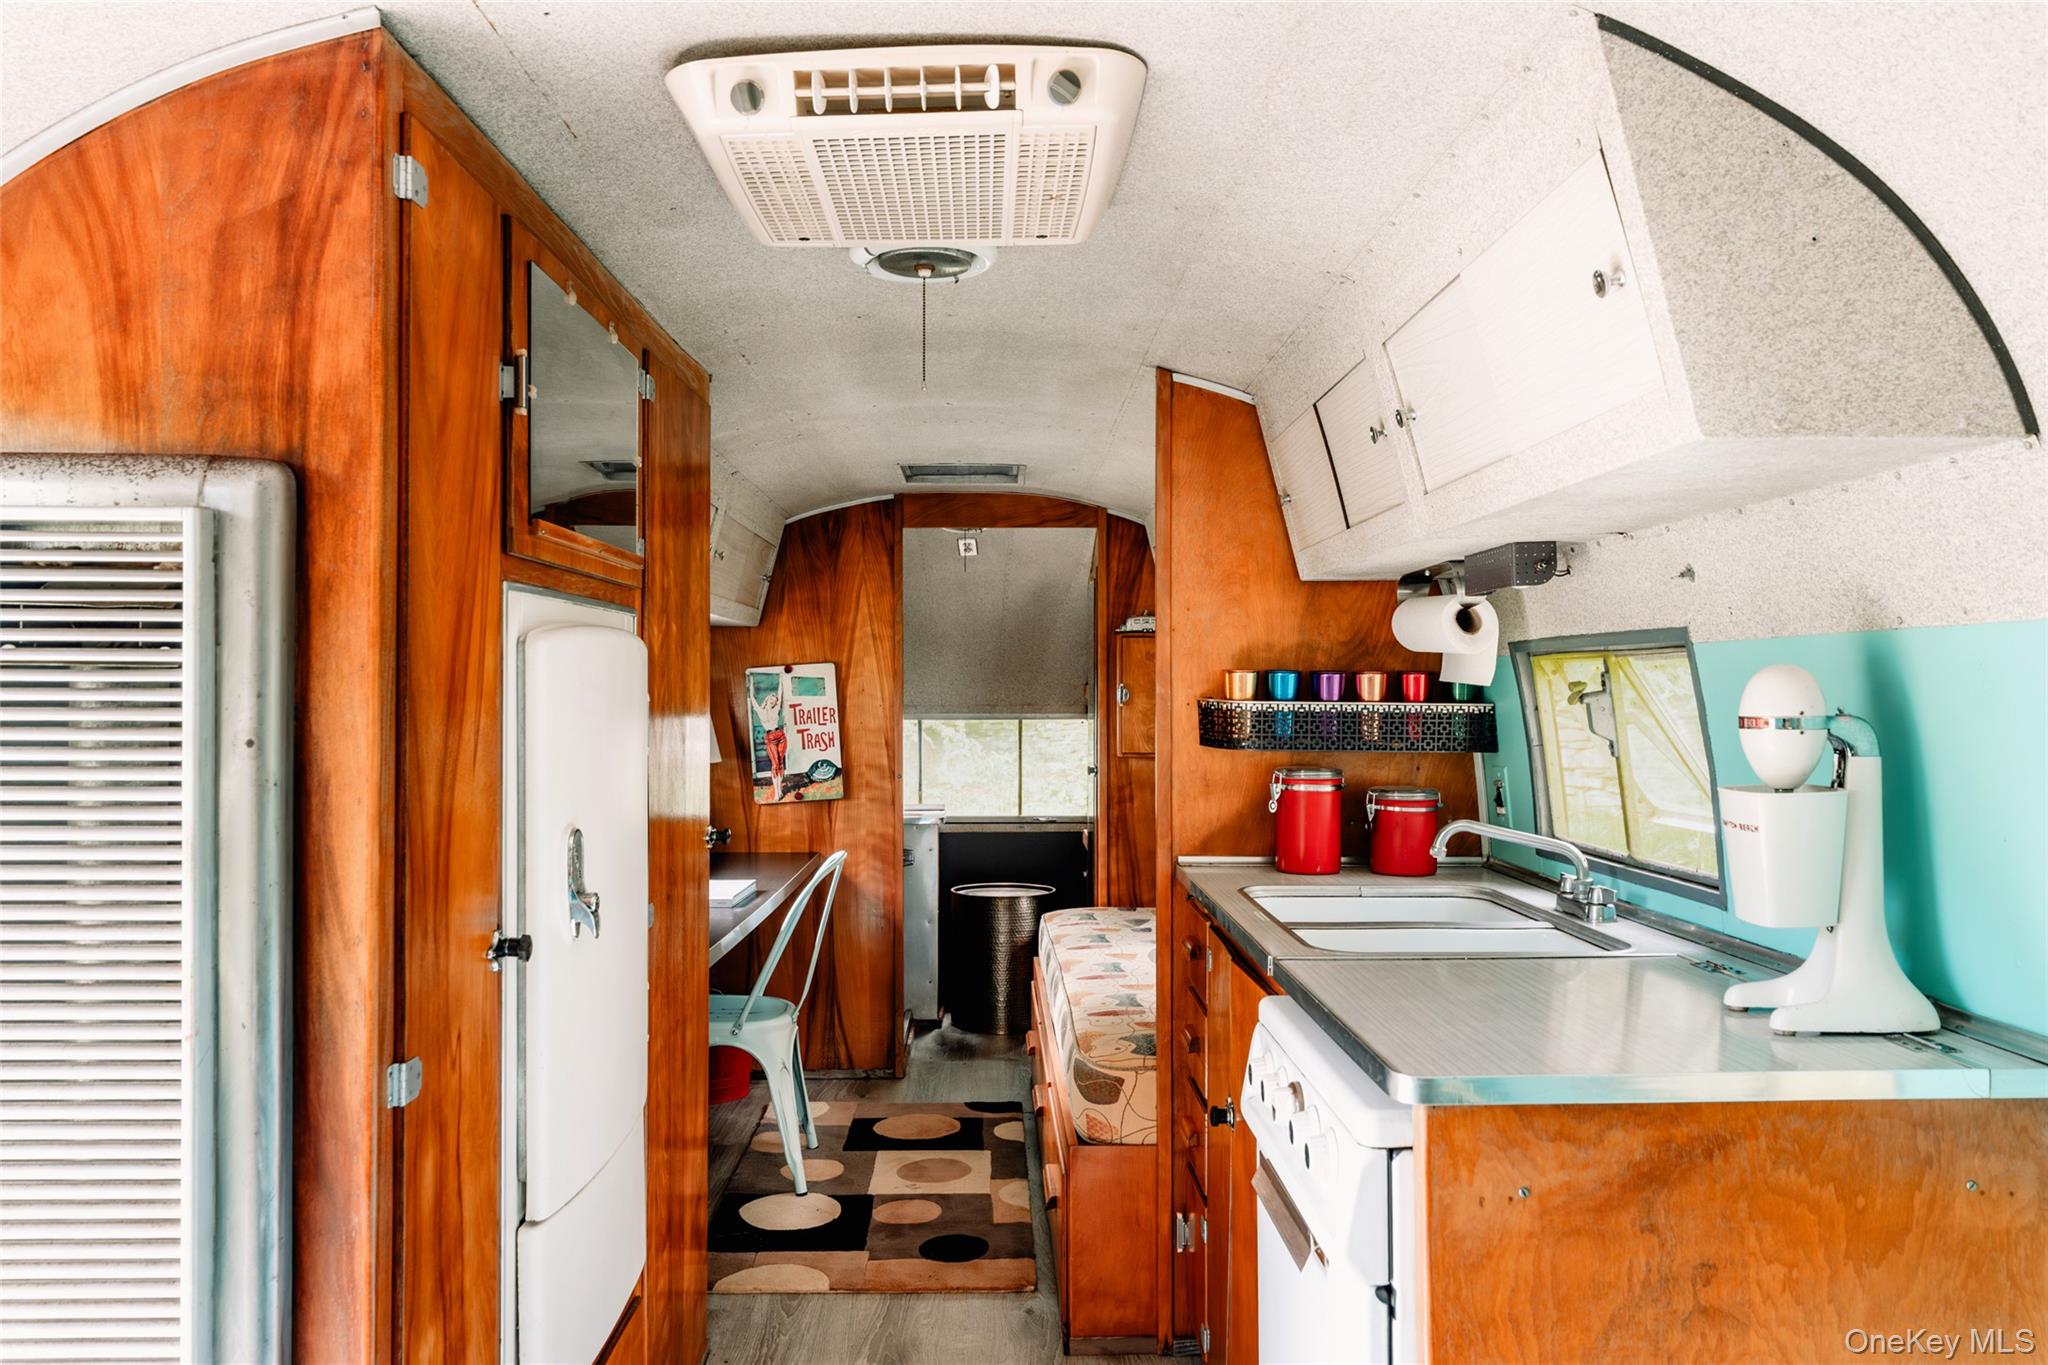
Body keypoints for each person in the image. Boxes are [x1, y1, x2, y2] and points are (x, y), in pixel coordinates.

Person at [751, 673, 790, 800]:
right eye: (772, 700)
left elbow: (780, 693)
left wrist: (781, 679)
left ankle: (779, 791)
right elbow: (752, 698)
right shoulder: (760, 710)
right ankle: (777, 791)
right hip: (770, 737)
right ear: (767, 699)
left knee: (780, 763)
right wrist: (751, 681)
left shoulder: (776, 708)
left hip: (780, 735)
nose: (774, 701)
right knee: (775, 764)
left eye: (775, 701)